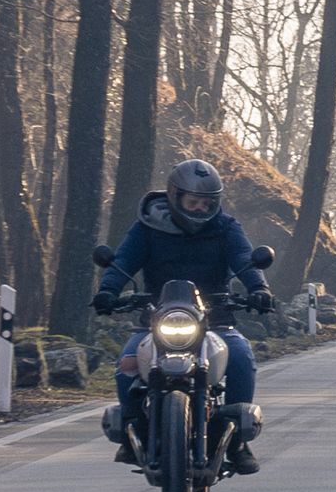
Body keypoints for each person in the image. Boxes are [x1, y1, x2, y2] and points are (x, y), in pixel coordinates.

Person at [94, 157, 271, 472]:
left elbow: (244, 258)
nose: (201, 209)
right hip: (156, 321)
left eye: (208, 203)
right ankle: (133, 432)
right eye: (194, 202)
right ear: (175, 197)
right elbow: (123, 261)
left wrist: (259, 289)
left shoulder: (226, 228)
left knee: (242, 356)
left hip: (215, 322)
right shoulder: (148, 226)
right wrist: (108, 291)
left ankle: (236, 442)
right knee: (127, 363)